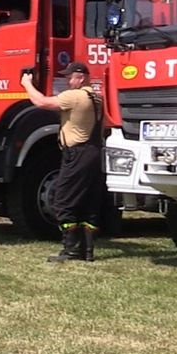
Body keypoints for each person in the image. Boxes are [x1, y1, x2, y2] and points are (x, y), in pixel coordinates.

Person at [21, 61, 104, 263]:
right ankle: (87, 250)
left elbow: (41, 102)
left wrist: (27, 84)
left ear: (82, 77)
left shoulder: (74, 96)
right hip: (93, 152)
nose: (68, 81)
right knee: (86, 201)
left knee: (63, 200)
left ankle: (71, 249)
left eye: (70, 77)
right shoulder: (96, 97)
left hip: (77, 153)